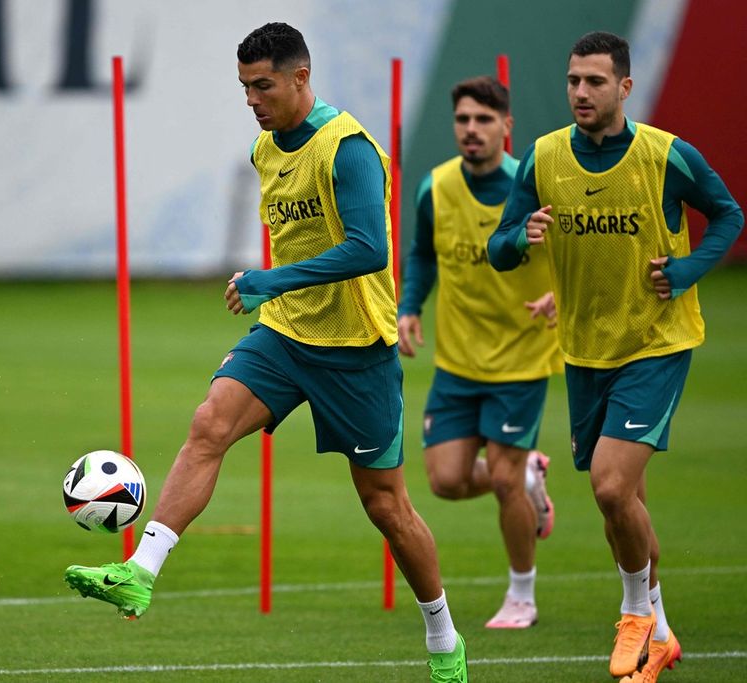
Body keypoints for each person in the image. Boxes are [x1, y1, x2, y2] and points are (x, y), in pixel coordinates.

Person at [66, 22, 468, 682]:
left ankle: (442, 635)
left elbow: (371, 248)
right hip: (284, 336)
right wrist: (273, 289)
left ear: (300, 78)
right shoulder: (264, 149)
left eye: (263, 85)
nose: (252, 98)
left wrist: (269, 278)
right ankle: (139, 572)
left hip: (356, 349)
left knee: (387, 507)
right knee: (208, 424)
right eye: (244, 87)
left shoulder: (349, 148)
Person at [488, 31, 743, 682]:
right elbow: (500, 247)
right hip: (584, 348)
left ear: (624, 88)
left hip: (656, 343)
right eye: (574, 80)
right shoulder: (544, 157)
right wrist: (522, 235)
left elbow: (728, 215)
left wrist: (687, 269)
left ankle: (633, 615)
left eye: (595, 82)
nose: (580, 91)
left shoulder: (665, 155)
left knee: (608, 484)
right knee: (622, 504)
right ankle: (658, 633)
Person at [398, 76, 562, 630]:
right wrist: (410, 306)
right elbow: (422, 253)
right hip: (458, 361)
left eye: (484, 120)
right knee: (444, 480)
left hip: (520, 358)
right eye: (464, 119)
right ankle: (531, 479)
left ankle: (522, 595)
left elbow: (582, 251)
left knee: (505, 481)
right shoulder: (436, 186)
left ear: (507, 127)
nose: (472, 130)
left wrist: (561, 293)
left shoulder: (536, 185)